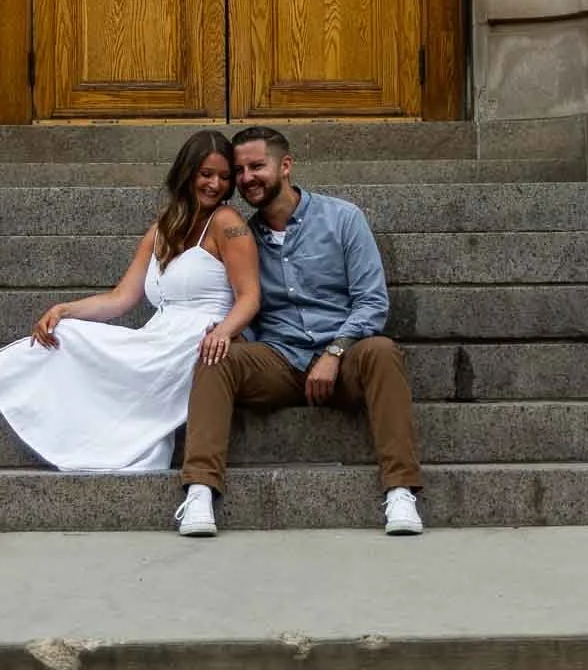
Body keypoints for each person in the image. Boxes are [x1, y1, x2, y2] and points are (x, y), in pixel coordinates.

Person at [0, 130, 260, 474]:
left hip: (194, 346)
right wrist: (64, 309)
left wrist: (223, 333)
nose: (215, 184)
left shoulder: (228, 224)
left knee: (68, 355)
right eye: (206, 174)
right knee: (62, 335)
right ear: (187, 172)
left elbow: (249, 297)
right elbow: (121, 298)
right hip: (157, 337)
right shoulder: (164, 228)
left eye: (224, 177)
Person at [174, 125, 424, 537]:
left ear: (285, 165)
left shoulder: (343, 219)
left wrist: (335, 352)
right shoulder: (242, 235)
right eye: (240, 170)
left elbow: (372, 302)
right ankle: (200, 489)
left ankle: (400, 491)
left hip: (344, 358)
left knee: (381, 351)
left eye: (258, 166)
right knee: (216, 354)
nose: (247, 178)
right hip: (279, 359)